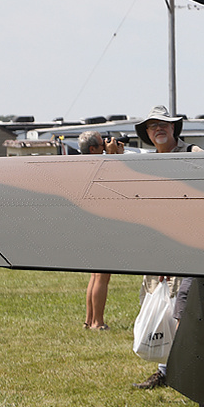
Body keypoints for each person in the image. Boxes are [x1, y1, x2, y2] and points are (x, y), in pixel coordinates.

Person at [132, 106, 191, 390]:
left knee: (180, 309)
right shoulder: (147, 163)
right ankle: (164, 370)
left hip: (184, 244)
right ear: (147, 133)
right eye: (153, 126)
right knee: (156, 304)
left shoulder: (190, 154)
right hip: (154, 244)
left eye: (164, 124)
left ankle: (180, 370)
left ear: (173, 129)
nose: (158, 129)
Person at [77, 130, 123, 331]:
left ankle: (89, 320)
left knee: (95, 275)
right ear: (93, 149)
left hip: (90, 224)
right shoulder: (97, 166)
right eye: (102, 144)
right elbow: (112, 184)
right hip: (101, 223)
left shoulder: (83, 166)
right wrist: (114, 157)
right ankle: (98, 322)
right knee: (102, 275)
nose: (106, 146)